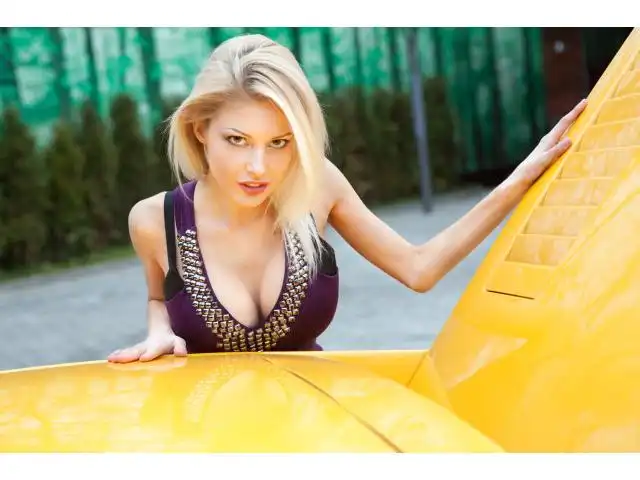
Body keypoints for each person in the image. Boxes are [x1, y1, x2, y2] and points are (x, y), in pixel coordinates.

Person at [107, 33, 588, 363]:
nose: (259, 167)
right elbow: (159, 297)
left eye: (280, 143)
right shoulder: (153, 221)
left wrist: (517, 181)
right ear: (199, 130)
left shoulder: (317, 185)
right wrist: (159, 330)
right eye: (237, 140)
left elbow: (418, 269)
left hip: (315, 433)